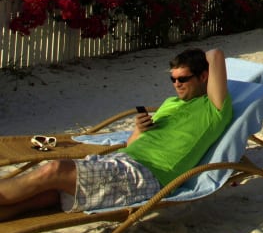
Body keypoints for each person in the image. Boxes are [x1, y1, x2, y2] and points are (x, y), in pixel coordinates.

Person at [0, 47, 233, 221]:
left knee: (54, 170)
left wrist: (197, 58)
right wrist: (139, 130)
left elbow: (216, 54)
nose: (176, 84)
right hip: (122, 161)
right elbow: (130, 145)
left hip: (147, 175)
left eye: (183, 79)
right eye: (173, 79)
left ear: (204, 77)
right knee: (47, 195)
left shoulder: (214, 108)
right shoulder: (170, 103)